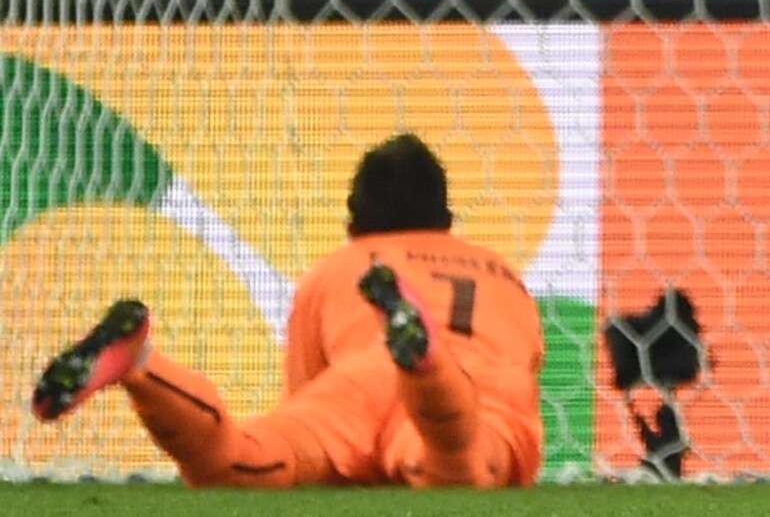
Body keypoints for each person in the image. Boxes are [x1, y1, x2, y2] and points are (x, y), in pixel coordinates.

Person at [30, 134, 545, 489]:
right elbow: (525, 362)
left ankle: (141, 364)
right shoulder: (504, 276)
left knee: (246, 463)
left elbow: (306, 395)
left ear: (353, 225)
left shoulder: (336, 270)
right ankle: (426, 365)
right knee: (456, 468)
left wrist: (314, 454)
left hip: (358, 385)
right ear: (448, 220)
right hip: (478, 390)